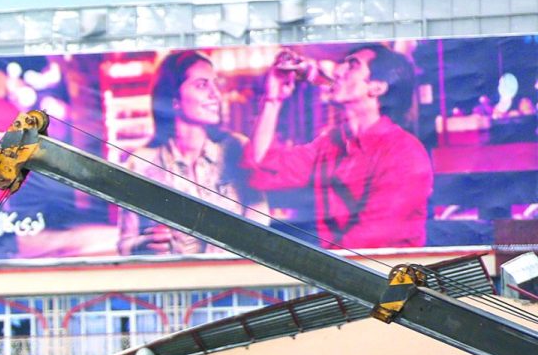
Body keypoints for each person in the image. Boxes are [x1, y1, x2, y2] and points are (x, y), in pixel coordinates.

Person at [246, 44, 432, 249]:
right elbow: (262, 166)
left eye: (352, 66)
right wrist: (273, 99)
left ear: (377, 87)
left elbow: (370, 240)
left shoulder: (404, 152)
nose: (337, 70)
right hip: (335, 268)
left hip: (383, 275)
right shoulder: (332, 144)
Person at [120, 50, 263, 255]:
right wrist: (143, 245)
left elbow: (261, 220)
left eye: (216, 84)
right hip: (174, 281)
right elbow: (124, 245)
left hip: (234, 281)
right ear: (173, 100)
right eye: (202, 85)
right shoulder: (141, 163)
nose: (215, 94)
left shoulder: (236, 147)